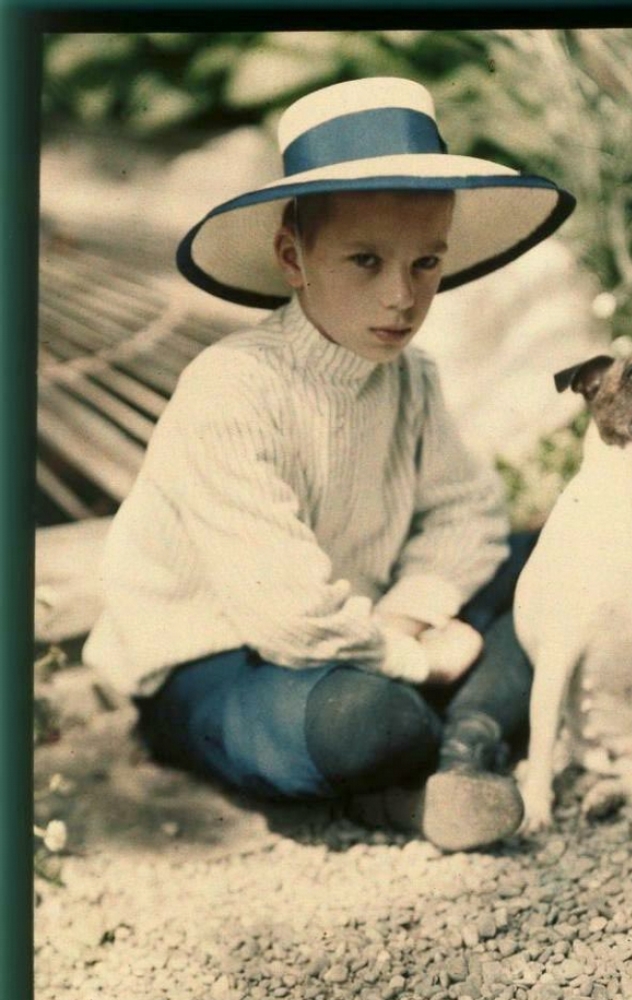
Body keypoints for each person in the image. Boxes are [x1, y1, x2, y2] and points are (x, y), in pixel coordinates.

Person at [83, 76, 576, 852]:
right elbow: (282, 610)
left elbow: (466, 510)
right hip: (224, 659)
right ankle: (440, 741)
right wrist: (412, 656)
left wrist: (412, 609)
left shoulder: (412, 378)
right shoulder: (233, 387)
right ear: (292, 256)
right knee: (357, 719)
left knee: (550, 556)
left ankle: (460, 754)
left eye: (425, 264)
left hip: (369, 623)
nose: (401, 298)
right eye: (365, 261)